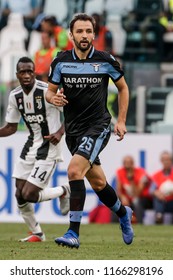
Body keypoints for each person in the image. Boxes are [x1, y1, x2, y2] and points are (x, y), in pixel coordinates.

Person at [46, 13, 134, 249]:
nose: (84, 36)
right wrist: (53, 98)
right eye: (80, 31)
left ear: (94, 34)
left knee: (74, 170)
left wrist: (121, 120)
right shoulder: (61, 61)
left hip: (98, 126)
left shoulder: (106, 60)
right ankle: (123, 213)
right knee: (98, 183)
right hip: (73, 131)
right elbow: (49, 91)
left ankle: (73, 233)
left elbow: (124, 89)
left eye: (88, 31)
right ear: (71, 34)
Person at [0, 56, 70, 242]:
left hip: (50, 146)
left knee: (29, 193)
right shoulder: (15, 96)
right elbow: (11, 127)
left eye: (30, 71)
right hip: (31, 146)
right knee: (18, 193)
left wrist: (60, 132)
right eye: (22, 72)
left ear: (34, 72)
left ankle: (64, 190)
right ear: (17, 74)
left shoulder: (47, 91)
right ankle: (37, 233)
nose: (26, 75)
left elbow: (72, 115)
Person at [116, 155, 153, 224]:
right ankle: (114, 224)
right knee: (116, 202)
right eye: (126, 163)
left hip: (141, 198)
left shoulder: (141, 172)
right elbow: (119, 189)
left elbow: (137, 193)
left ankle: (139, 223)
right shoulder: (120, 172)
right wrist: (123, 197)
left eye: (129, 163)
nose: (127, 165)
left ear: (133, 164)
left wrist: (131, 180)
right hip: (127, 198)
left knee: (137, 202)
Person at [150, 151, 173, 224]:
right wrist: (156, 193)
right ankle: (159, 216)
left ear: (171, 161)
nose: (166, 162)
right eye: (164, 160)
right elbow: (151, 190)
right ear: (161, 161)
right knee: (157, 197)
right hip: (162, 201)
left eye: (168, 160)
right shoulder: (156, 175)